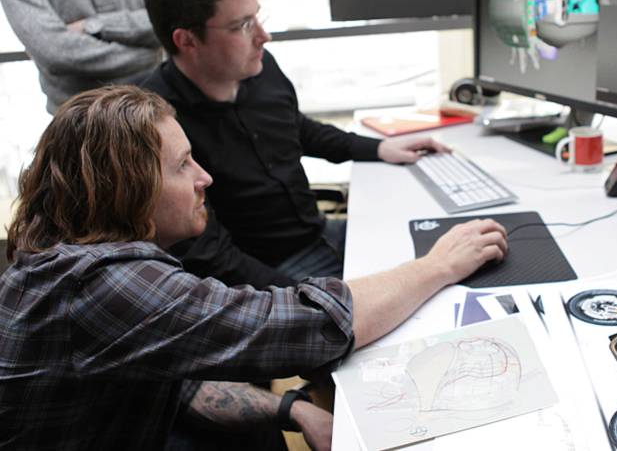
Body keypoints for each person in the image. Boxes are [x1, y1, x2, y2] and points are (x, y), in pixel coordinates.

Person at [0, 85, 507, 450]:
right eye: (182, 166)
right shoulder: (100, 283)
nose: (205, 177)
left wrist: (292, 409)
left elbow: (176, 382)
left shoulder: (67, 255)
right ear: (125, 189)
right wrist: (438, 265)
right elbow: (304, 325)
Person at [141, 0, 446, 286]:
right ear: (186, 40)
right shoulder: (159, 126)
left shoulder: (258, 65)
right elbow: (210, 255)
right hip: (270, 272)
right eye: (242, 25)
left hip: (322, 233)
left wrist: (379, 148)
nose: (263, 36)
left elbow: (296, 129)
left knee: (444, 243)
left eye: (257, 17)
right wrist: (306, 301)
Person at [0, 0, 164, 113]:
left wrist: (95, 26)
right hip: (80, 121)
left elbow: (175, 13)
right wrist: (151, 55)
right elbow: (55, 52)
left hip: (160, 104)